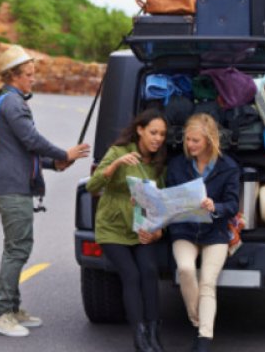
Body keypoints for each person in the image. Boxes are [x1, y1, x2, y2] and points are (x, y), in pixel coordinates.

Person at [0, 44, 90, 337]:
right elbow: (31, 139)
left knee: (15, 247)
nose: (33, 79)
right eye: (29, 74)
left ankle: (12, 308)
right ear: (14, 76)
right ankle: (1, 313)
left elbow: (19, 151)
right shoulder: (13, 103)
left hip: (8, 184)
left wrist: (54, 164)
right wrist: (64, 154)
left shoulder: (5, 100)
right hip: (11, 188)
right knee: (18, 248)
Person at [86, 109, 169, 352]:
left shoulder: (158, 162)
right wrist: (115, 165)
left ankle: (154, 333)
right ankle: (139, 336)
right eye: (153, 132)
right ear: (140, 130)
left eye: (162, 134)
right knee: (131, 275)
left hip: (140, 228)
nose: (158, 139)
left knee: (149, 271)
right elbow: (93, 185)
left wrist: (157, 232)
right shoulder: (119, 152)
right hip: (113, 227)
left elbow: (160, 202)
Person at [165, 113, 240, 352]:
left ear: (209, 140)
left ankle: (204, 338)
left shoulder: (228, 167)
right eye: (187, 140)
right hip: (184, 229)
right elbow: (169, 197)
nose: (189, 145)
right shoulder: (178, 164)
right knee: (186, 269)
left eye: (195, 140)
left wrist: (214, 206)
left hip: (214, 231)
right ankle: (198, 319)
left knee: (208, 281)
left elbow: (232, 205)